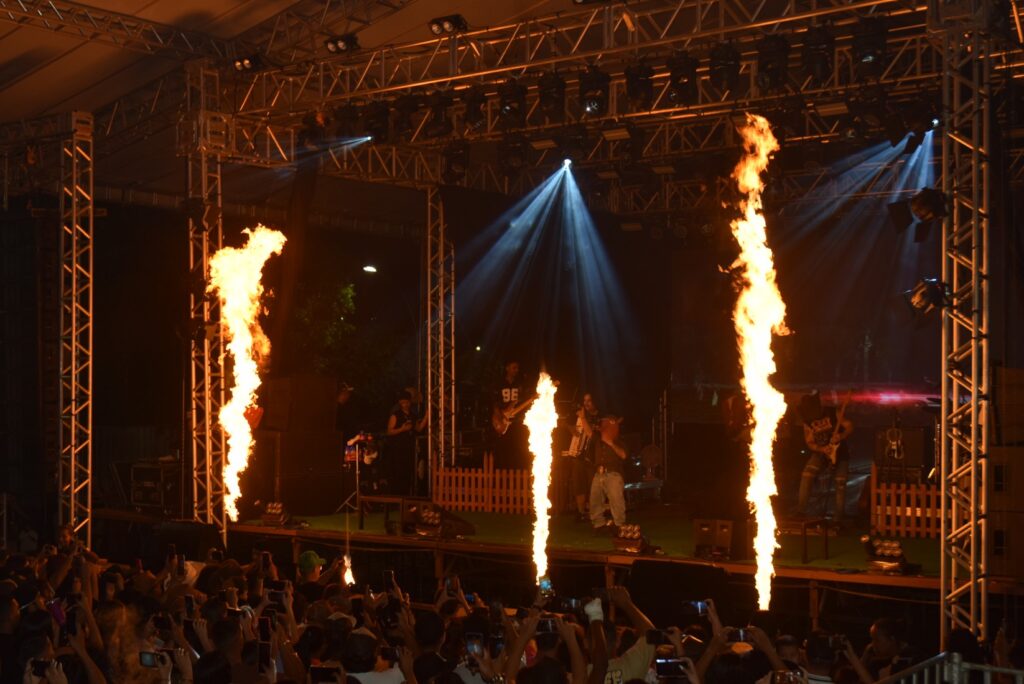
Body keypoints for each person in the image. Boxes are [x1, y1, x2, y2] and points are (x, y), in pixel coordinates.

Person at [796, 392, 854, 520]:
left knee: (840, 483)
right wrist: (821, 449)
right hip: (821, 452)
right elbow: (809, 442)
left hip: (840, 452)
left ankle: (838, 518)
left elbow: (849, 426)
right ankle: (800, 511)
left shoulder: (832, 412)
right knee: (807, 474)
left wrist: (841, 436)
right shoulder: (807, 420)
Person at [564, 393, 601, 523]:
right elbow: (566, 423)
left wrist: (583, 418)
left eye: (589, 400)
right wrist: (571, 429)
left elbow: (592, 435)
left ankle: (593, 514)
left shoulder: (598, 417)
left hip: (591, 457)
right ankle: (581, 513)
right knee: (578, 485)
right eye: (584, 400)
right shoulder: (579, 414)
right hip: (577, 455)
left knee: (592, 486)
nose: (586, 403)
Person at [491, 360, 532, 469]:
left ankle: (517, 472)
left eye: (517, 368)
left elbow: (524, 400)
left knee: (518, 448)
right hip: (503, 420)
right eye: (514, 368)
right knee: (502, 449)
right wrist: (500, 417)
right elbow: (494, 402)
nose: (516, 370)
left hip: (517, 421)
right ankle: (502, 473)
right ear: (507, 368)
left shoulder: (520, 384)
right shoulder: (499, 383)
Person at [590, 416, 627, 534]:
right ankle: (598, 525)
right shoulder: (597, 439)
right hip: (599, 474)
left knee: (616, 500)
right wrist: (582, 417)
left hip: (613, 474)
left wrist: (611, 443)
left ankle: (619, 525)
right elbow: (588, 431)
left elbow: (623, 455)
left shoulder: (619, 440)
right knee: (595, 500)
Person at [386, 391, 427, 497]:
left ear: (410, 402)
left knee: (409, 473)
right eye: (403, 402)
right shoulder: (396, 415)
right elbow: (389, 431)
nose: (405, 404)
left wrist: (426, 416)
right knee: (399, 473)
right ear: (400, 403)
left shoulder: (413, 415)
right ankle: (398, 498)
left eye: (407, 402)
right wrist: (402, 429)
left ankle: (408, 496)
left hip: (410, 448)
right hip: (398, 449)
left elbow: (419, 428)